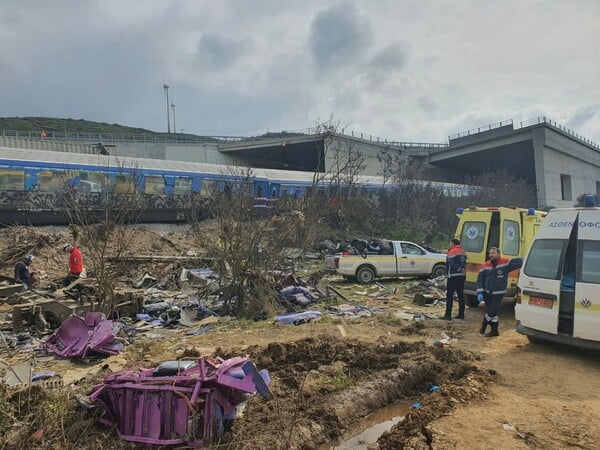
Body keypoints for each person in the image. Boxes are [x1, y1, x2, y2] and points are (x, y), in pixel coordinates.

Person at [476, 246, 522, 337]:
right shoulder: (485, 266)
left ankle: (484, 324)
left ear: (498, 254)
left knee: (492, 311)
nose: (491, 255)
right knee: (493, 313)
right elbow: (480, 280)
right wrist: (480, 293)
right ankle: (494, 331)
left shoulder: (505, 263)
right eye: (490, 253)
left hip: (499, 293)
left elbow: (517, 262)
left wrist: (529, 258)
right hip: (487, 293)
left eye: (493, 253)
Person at [442, 239, 467, 320]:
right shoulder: (463, 251)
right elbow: (464, 262)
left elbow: (450, 263)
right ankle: (461, 314)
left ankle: (448, 315)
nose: (449, 245)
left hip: (453, 276)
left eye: (450, 243)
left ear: (453, 243)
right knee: (461, 295)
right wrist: (461, 269)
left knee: (449, 295)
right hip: (462, 276)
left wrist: (446, 274)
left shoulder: (452, 251)